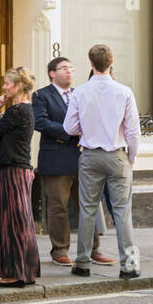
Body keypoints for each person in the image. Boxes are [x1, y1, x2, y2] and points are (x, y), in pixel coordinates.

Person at [63, 44, 140, 279]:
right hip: (117, 154)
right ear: (112, 61)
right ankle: (128, 265)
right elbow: (133, 131)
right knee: (121, 211)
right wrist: (131, 157)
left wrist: (86, 129)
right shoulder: (124, 92)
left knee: (87, 210)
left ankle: (83, 262)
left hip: (89, 155)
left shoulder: (80, 92)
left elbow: (69, 127)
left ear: (90, 63)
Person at [33, 56, 113, 266]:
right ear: (52, 73)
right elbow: (40, 122)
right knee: (58, 207)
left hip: (84, 158)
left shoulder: (80, 93)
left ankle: (92, 249)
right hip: (56, 160)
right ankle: (60, 250)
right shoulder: (42, 95)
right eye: (64, 68)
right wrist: (70, 132)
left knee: (89, 205)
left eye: (71, 68)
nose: (69, 72)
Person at [0, 67, 40, 287]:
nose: (4, 86)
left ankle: (15, 273)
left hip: (13, 171)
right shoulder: (23, 111)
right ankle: (23, 271)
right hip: (18, 169)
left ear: (19, 86)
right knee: (20, 220)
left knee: (12, 222)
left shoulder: (17, 111)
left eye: (8, 83)